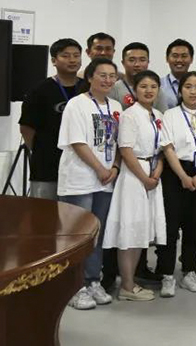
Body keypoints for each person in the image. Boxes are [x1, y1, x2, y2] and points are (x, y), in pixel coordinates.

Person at [58, 57, 122, 310]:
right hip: (80, 180)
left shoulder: (116, 106)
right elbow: (77, 142)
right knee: (77, 236)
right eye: (102, 75)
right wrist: (99, 169)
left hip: (105, 181)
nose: (108, 80)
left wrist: (114, 168)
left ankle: (93, 280)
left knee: (97, 234)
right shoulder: (77, 104)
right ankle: (74, 287)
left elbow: (119, 142)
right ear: (89, 77)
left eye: (112, 76)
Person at [103, 70, 167, 302]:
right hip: (134, 176)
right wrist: (144, 177)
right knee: (129, 230)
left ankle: (131, 282)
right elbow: (126, 150)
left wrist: (156, 173)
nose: (149, 91)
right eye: (143, 86)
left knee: (141, 230)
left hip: (152, 173)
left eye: (153, 86)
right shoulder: (129, 115)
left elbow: (163, 148)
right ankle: (127, 285)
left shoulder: (158, 114)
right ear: (135, 90)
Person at [159, 72, 196, 296]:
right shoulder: (170, 115)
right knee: (170, 227)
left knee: (193, 225)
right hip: (175, 173)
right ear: (180, 90)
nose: (193, 91)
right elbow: (167, 147)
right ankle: (166, 274)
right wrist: (182, 175)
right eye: (188, 86)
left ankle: (189, 271)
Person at [19, 38, 83, 200]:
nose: (72, 60)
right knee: (44, 213)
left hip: (81, 167)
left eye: (76, 55)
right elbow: (26, 128)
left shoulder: (87, 88)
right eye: (66, 56)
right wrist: (41, 151)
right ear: (54, 60)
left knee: (76, 214)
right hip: (47, 167)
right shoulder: (40, 90)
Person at [154, 39, 194, 112]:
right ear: (167, 59)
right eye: (175, 56)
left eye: (184, 56)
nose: (179, 60)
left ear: (191, 59)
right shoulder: (158, 85)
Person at [108, 42, 150, 108]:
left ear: (148, 62)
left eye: (142, 60)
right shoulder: (113, 89)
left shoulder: (155, 89)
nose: (137, 64)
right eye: (132, 60)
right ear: (123, 63)